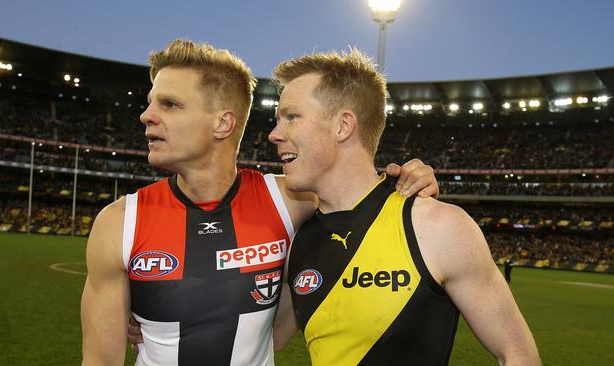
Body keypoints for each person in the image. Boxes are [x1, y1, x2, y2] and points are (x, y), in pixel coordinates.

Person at [80, 38, 439, 366]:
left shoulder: (289, 201)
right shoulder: (119, 223)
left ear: (224, 123)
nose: (146, 116)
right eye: (150, 103)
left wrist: (412, 180)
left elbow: (366, 194)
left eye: (170, 104)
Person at [268, 49, 541, 365]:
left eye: (291, 117)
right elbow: (261, 341)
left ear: (343, 126)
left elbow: (518, 354)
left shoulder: (438, 227)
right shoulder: (296, 237)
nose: (275, 134)